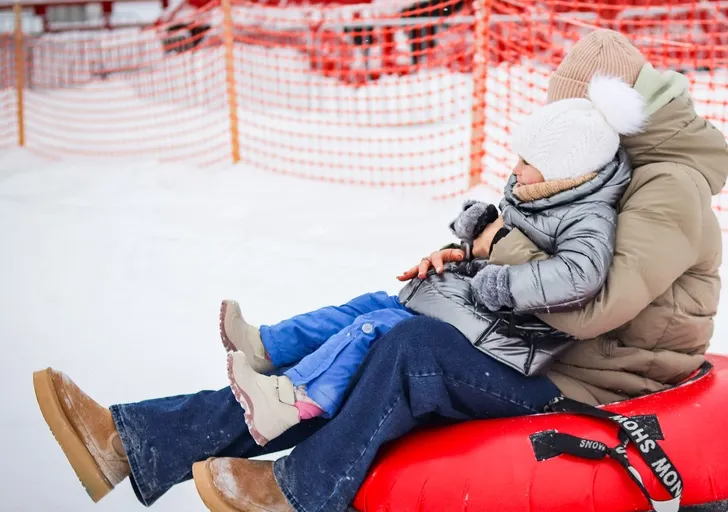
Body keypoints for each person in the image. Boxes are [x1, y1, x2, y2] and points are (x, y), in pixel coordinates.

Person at [31, 29, 728, 512]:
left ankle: (293, 489)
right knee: (381, 321)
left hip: (590, 379)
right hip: (534, 345)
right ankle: (135, 441)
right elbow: (536, 250)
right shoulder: (612, 170)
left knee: (408, 348)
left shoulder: (667, 188)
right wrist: (465, 257)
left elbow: (594, 303)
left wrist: (485, 264)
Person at [223, 74, 645, 447]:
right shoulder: (539, 193)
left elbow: (580, 274)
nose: (514, 170)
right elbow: (502, 245)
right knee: (369, 306)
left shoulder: (589, 216)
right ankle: (268, 345)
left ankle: (292, 401)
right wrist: (465, 252)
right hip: (473, 307)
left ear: (562, 169)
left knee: (380, 329)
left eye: (526, 162)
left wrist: (499, 285)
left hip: (503, 333)